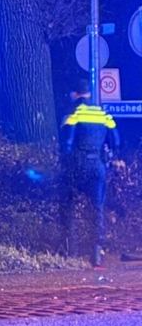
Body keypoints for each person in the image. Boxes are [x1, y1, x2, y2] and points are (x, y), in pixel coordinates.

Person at [60, 84, 121, 267]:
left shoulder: (75, 113)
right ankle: (96, 255)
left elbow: (67, 142)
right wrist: (111, 157)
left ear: (75, 93)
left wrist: (65, 162)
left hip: (78, 165)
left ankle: (71, 252)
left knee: (69, 205)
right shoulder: (103, 114)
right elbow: (116, 139)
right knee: (97, 208)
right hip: (98, 166)